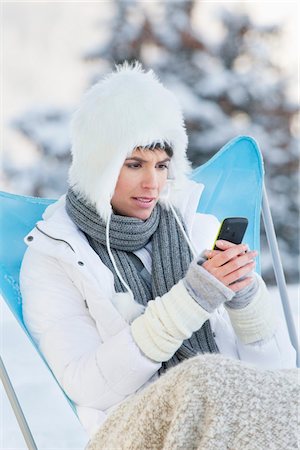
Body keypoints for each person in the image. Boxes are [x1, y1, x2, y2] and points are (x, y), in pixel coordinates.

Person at [20, 62, 296, 443]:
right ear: (98, 166)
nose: (153, 183)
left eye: (162, 166)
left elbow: (277, 372)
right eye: (134, 165)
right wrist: (193, 299)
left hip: (230, 416)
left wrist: (244, 296)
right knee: (206, 377)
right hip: (131, 430)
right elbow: (88, 385)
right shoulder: (55, 257)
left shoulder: (194, 229)